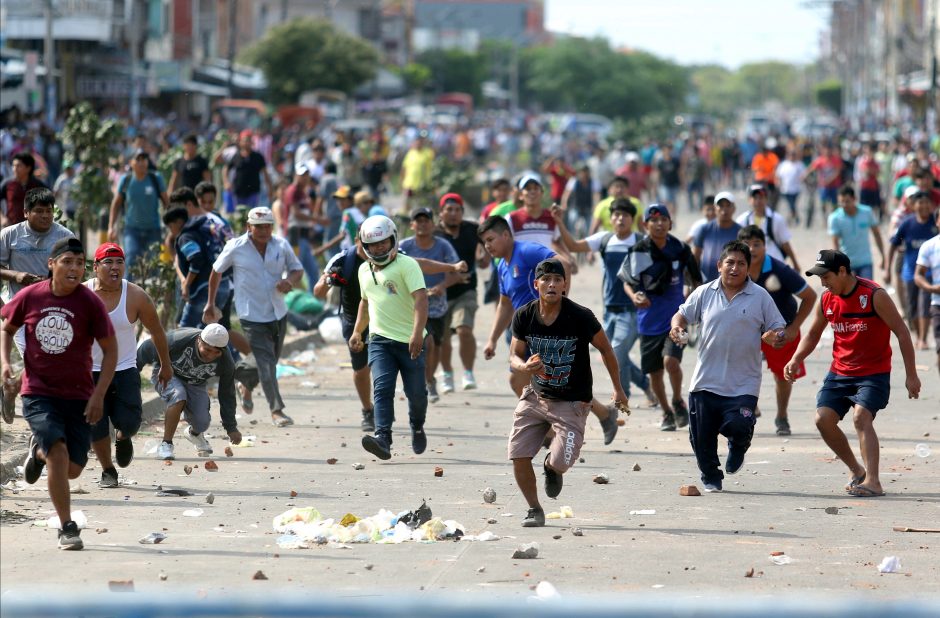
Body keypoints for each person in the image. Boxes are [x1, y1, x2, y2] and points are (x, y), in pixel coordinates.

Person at [1, 237, 117, 550]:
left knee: (73, 470)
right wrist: (5, 363)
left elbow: (111, 350)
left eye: (80, 263)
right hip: (39, 392)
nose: (75, 269)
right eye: (67, 261)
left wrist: (98, 395)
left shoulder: (89, 303)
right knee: (59, 453)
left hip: (80, 395)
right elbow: (8, 328)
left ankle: (38, 452)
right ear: (51, 264)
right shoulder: (30, 296)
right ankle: (67, 527)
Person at [785, 250, 921, 497]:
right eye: (820, 278)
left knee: (861, 418)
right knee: (822, 419)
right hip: (840, 372)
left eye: (826, 277)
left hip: (874, 373)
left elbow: (901, 331)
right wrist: (796, 358)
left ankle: (874, 481)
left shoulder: (873, 295)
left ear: (843, 272)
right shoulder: (827, 299)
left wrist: (911, 375)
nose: (823, 283)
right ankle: (856, 470)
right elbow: (814, 334)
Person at [508, 258, 629, 527]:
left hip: (572, 402)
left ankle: (552, 468)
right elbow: (514, 356)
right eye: (546, 280)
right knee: (518, 454)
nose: (552, 284)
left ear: (565, 285)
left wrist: (618, 389)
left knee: (561, 461)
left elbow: (606, 350)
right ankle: (534, 509)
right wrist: (524, 366)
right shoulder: (524, 315)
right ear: (536, 284)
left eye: (557, 280)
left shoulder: (581, 316)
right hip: (536, 397)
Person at [670, 241, 786, 492]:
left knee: (739, 425)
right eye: (730, 262)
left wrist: (774, 336)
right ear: (719, 265)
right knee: (701, 437)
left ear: (748, 268)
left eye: (741, 263)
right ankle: (711, 475)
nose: (735, 268)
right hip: (705, 380)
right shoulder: (704, 292)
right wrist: (677, 327)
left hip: (744, 382)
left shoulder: (760, 296)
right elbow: (681, 314)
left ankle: (738, 445)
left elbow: (779, 329)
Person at [204, 207, 303, 428]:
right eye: (258, 227)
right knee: (267, 365)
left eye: (267, 226)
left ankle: (242, 381)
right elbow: (216, 271)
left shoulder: (281, 245)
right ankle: (277, 410)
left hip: (278, 311)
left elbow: (297, 270)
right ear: (249, 227)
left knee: (269, 361)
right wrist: (210, 303)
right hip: (251, 313)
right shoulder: (236, 247)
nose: (263, 231)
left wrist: (289, 281)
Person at [84, 243, 173, 487]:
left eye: (119, 262)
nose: (115, 267)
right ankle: (108, 471)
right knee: (96, 426)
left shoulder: (136, 296)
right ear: (95, 267)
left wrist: (166, 365)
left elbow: (156, 331)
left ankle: (123, 437)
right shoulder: (81, 295)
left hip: (124, 369)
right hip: (89, 372)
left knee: (131, 422)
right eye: (108, 262)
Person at [552, 198, 656, 407]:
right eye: (616, 215)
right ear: (611, 218)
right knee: (617, 353)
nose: (620, 219)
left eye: (625, 215)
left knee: (617, 351)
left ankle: (622, 396)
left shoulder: (642, 242)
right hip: (609, 308)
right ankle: (645, 386)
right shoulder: (605, 239)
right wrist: (559, 222)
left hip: (632, 309)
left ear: (632, 219)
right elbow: (573, 246)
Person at [348, 215, 429, 461]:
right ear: (364, 246)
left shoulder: (407, 265)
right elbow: (365, 302)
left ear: (393, 239)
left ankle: (417, 425)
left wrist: (417, 333)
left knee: (416, 394)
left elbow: (421, 299)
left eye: (384, 242)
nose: (379, 248)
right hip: (380, 341)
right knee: (382, 389)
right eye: (373, 245)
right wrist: (357, 331)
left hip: (410, 342)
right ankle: (383, 438)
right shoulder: (363, 270)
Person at [620, 204, 703, 430]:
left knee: (671, 362)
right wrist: (634, 296)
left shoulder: (680, 249)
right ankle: (667, 412)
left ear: (670, 223)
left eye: (663, 219)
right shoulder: (640, 250)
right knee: (655, 373)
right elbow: (628, 280)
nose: (658, 224)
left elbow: (696, 281)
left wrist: (693, 301)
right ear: (645, 225)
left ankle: (677, 400)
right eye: (653, 220)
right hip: (647, 322)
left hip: (676, 320)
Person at [0, 188, 75, 421]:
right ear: (26, 213)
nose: (45, 216)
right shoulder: (9, 235)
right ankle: (40, 412)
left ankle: (13, 388)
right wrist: (16, 276)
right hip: (21, 309)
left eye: (49, 211)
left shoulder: (65, 237)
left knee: (50, 358)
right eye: (39, 211)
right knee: (38, 359)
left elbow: (76, 271)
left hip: (55, 309)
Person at [738, 225, 817, 436]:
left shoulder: (780, 270)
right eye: (747, 244)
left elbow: (810, 297)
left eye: (757, 244)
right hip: (750, 329)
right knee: (741, 371)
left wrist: (794, 328)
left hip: (781, 328)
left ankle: (782, 416)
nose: (752, 249)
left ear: (765, 246)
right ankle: (749, 406)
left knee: (782, 376)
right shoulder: (736, 270)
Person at [139, 324, 243, 460]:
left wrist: (231, 427)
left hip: (196, 383)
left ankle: (194, 433)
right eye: (207, 349)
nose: (210, 356)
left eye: (216, 353)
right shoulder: (178, 340)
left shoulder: (226, 361)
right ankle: (166, 444)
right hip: (167, 373)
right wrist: (130, 381)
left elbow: (227, 394)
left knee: (202, 422)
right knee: (178, 395)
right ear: (199, 340)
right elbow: (144, 350)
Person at [399, 207, 461, 403]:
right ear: (412, 225)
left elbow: (456, 272)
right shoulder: (403, 247)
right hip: (409, 306)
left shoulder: (443, 246)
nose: (423, 224)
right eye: (419, 220)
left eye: (427, 220)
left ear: (433, 224)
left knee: (433, 345)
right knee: (417, 344)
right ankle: (415, 381)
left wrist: (442, 285)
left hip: (436, 306)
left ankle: (429, 379)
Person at [435, 192, 489, 392]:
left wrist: (485, 256)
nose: (453, 214)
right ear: (441, 213)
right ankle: (447, 374)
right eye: (449, 210)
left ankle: (468, 372)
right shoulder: (434, 234)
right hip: (440, 291)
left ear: (462, 213)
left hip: (466, 289)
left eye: (457, 210)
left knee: (464, 330)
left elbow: (487, 241)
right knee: (443, 339)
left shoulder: (472, 229)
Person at [887, 190, 939, 350]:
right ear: (913, 206)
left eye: (926, 203)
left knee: (925, 304)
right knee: (911, 307)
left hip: (929, 273)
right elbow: (894, 245)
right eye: (920, 203)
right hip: (910, 272)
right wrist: (887, 268)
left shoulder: (934, 222)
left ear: (931, 206)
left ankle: (923, 338)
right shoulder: (907, 223)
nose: (923, 206)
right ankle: (917, 335)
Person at [107, 149, 169, 272]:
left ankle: (150, 291)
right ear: (131, 162)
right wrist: (111, 227)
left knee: (153, 266)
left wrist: (170, 229)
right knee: (131, 260)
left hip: (153, 230)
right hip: (132, 230)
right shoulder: (126, 180)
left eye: (144, 159)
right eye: (138, 159)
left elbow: (167, 203)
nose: (141, 163)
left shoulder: (155, 178)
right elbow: (116, 204)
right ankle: (127, 291)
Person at [735, 184, 801, 272]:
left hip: (774, 263)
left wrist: (795, 263)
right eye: (755, 198)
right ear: (749, 200)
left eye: (761, 197)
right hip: (751, 264)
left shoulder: (777, 219)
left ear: (766, 199)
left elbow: (785, 243)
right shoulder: (741, 220)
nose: (758, 201)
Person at [828, 185, 885, 280]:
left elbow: (877, 234)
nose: (844, 205)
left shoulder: (867, 212)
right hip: (847, 264)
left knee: (867, 293)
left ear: (854, 199)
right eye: (841, 202)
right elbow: (835, 243)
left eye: (847, 201)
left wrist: (883, 256)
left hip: (865, 262)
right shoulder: (834, 218)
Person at [914, 206, 940, 376]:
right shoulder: (929, 246)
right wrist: (932, 288)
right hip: (938, 305)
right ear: (937, 222)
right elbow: (918, 275)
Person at [693, 191, 741, 283]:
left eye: (728, 205)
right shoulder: (704, 229)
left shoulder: (740, 232)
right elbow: (695, 258)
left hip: (732, 284)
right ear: (715, 208)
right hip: (706, 284)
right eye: (721, 205)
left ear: (734, 208)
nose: (724, 209)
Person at [223, 130, 271, 211]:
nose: (246, 143)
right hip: (238, 192)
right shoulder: (236, 156)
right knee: (239, 217)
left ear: (252, 142)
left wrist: (270, 189)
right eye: (244, 141)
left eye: (249, 141)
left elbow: (265, 173)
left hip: (253, 192)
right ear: (240, 142)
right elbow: (225, 169)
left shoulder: (258, 157)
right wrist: (226, 182)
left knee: (251, 215)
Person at [0, 152, 46, 227]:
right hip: (11, 228)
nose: (14, 169)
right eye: (13, 165)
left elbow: (49, 203)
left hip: (33, 230)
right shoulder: (7, 184)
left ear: (28, 168)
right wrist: (2, 218)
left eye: (18, 166)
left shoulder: (38, 186)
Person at [400, 132, 434, 213]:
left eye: (421, 141)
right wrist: (401, 182)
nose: (418, 143)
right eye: (417, 141)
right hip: (409, 185)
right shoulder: (410, 153)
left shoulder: (428, 153)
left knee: (421, 207)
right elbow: (404, 168)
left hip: (422, 186)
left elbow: (433, 168)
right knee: (406, 206)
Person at [775, 149, 806, 225]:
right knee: (791, 205)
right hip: (785, 189)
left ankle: (791, 218)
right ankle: (794, 218)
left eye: (793, 155)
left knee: (792, 205)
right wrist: (778, 183)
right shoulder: (783, 165)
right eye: (790, 155)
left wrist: (802, 179)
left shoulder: (800, 164)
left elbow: (804, 175)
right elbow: (778, 175)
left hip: (796, 189)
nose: (792, 157)